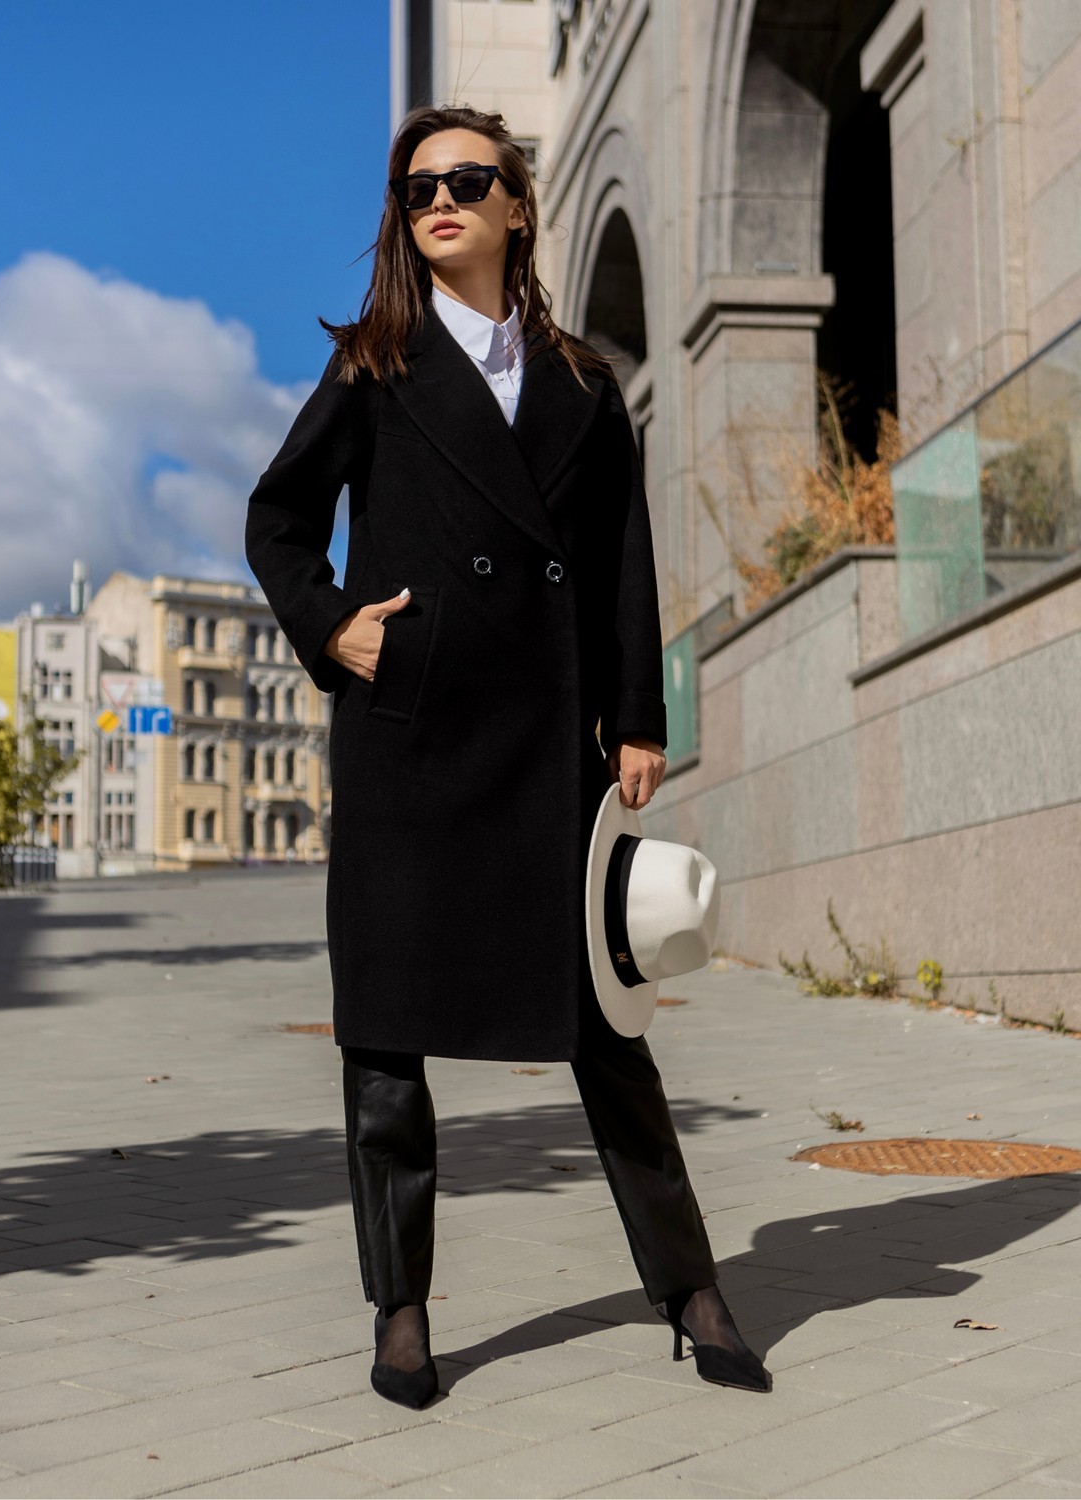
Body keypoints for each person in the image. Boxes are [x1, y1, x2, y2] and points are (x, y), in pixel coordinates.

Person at [245, 104, 771, 1408]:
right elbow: (279, 516)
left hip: (549, 745)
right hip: (411, 741)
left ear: (516, 206)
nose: (440, 200)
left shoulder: (586, 383)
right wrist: (332, 626)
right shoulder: (376, 362)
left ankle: (692, 1288)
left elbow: (622, 557)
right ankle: (402, 1312)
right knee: (385, 1043)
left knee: (606, 1030)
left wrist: (638, 715)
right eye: (417, 187)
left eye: (467, 181)